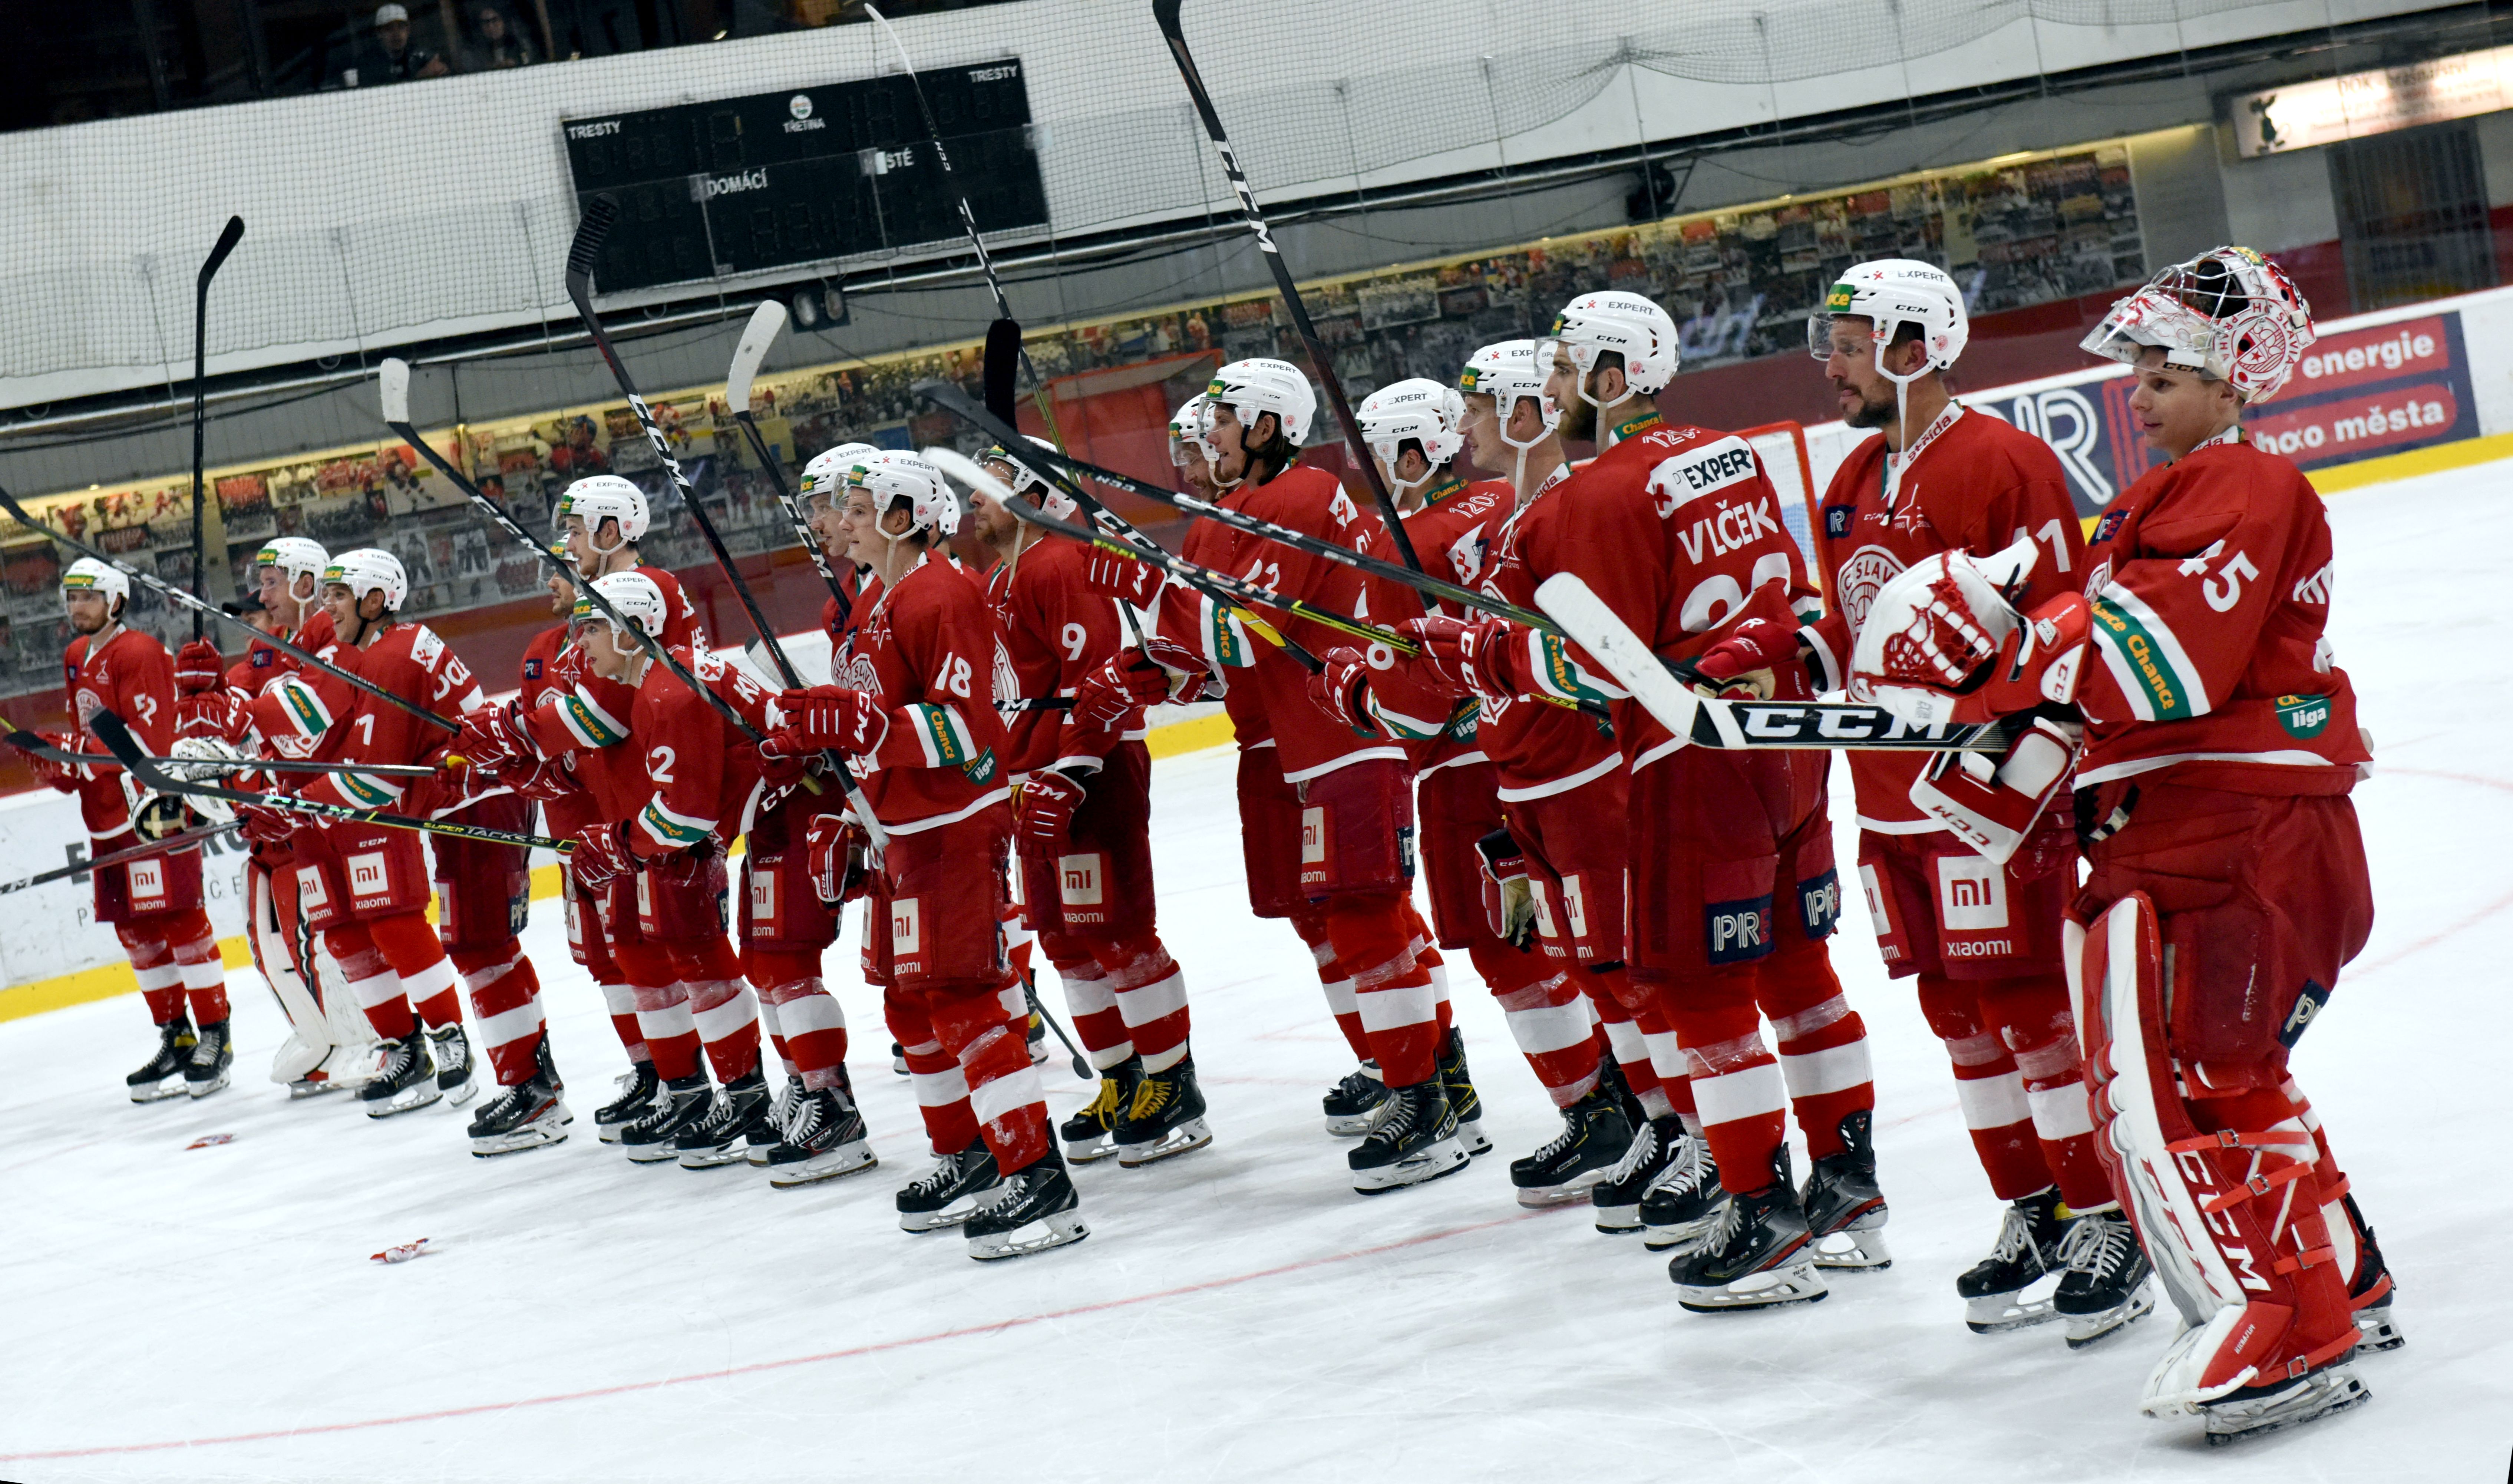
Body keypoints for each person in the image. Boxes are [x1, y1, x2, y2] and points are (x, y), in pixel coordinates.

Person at [1853, 245, 2395, 1444]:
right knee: (2232, 1072)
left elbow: (2154, 664)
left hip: (2226, 843)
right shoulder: (2165, 499)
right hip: (2205, 835)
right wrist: (2002, 691)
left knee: (2179, 1087)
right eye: (2136, 371)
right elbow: (2090, 679)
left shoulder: (2238, 483)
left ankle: (2283, 1317)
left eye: (2160, 371)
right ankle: (2334, 1270)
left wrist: (1996, 657)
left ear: (2230, 372)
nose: (2134, 392)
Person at [1400, 291, 1882, 1312]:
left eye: (1571, 372)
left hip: (1690, 762)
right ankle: (1849, 1192)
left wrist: (1476, 648)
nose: (1558, 391)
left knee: (1701, 993)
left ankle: (1762, 1217)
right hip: (1789, 753)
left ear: (1614, 379)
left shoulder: (1597, 496)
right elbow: (1787, 601)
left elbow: (1595, 667)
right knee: (1800, 971)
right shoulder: (1731, 455)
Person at [1795, 259, 2131, 1342]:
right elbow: (1841, 625)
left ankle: (2104, 1214)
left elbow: (2059, 624)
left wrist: (2023, 766)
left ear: (1912, 346)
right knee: (1956, 1015)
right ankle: (2031, 1207)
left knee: (2028, 1009)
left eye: (1849, 342)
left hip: (1983, 799)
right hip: (1886, 802)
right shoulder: (1849, 473)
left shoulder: (2003, 462)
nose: (1831, 361)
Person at [1076, 360, 1483, 1197]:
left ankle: (1422, 1098)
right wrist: (1155, 664)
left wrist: (1157, 591)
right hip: (1309, 745)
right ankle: (1436, 1083)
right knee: (1355, 918)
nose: (1209, 435)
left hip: (1349, 734)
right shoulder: (1234, 511)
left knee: (1368, 919)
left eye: (1223, 420)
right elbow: (1214, 658)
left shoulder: (1298, 496)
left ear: (1266, 427)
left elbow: (1243, 630)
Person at [1316, 370, 1656, 1217]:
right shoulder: (1509, 497)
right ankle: (1629, 1101)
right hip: (1544, 748)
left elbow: (1415, 691)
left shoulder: (1408, 542)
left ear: (1405, 448)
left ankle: (1596, 1109)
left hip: (1475, 769)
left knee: (1512, 948)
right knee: (1577, 938)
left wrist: (1356, 690)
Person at [766, 451, 1086, 1260]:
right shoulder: (876, 601)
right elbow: (872, 726)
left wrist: (867, 730)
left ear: (901, 517)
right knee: (914, 1006)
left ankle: (1036, 1172)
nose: (838, 517)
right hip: (900, 829)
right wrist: (844, 793)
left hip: (954, 823)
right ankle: (967, 1154)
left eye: (855, 503)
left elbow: (968, 730)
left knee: (967, 1002)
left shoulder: (940, 592)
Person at [971, 438, 1207, 1168]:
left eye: (992, 484)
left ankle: (1173, 1083)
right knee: (1064, 940)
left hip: (1091, 769)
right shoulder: (993, 581)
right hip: (1028, 775)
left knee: (1116, 931)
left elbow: (1096, 677)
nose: (975, 499)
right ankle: (1121, 1077)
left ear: (1035, 495)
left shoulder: (1060, 563)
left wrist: (1072, 770)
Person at [244, 549, 482, 1120]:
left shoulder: (358, 644)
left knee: (394, 924)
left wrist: (247, 724)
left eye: (274, 581)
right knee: (343, 935)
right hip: (321, 816)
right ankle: (404, 1048)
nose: (261, 594)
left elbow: (340, 736)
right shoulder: (285, 644)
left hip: (367, 805)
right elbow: (261, 725)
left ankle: (449, 1035)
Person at [34, 559, 230, 1102]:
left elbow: (146, 742)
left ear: (116, 601)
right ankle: (179, 1037)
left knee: (181, 920)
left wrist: (76, 754)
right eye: (71, 597)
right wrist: (64, 770)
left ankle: (217, 1034)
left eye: (89, 597)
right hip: (104, 817)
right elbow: (91, 734)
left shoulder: (139, 652)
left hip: (152, 808)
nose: (78, 608)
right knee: (134, 931)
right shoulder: (77, 655)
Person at [341, 3, 449, 86]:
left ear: (408, 31)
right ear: (379, 33)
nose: (397, 34)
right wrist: (419, 78)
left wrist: (441, 70)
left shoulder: (421, 56)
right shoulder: (368, 63)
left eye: (401, 27)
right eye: (389, 29)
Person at [462, 4, 537, 69]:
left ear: (504, 22)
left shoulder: (521, 45)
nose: (491, 27)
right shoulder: (475, 52)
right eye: (485, 23)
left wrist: (515, 64)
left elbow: (530, 64)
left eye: (495, 20)